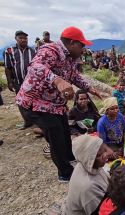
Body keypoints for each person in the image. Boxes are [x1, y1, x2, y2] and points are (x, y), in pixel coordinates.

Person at [16, 26, 101, 182]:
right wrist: (57, 80)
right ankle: (65, 173)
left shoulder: (70, 58)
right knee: (55, 134)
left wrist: (90, 88)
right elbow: (35, 67)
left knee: (64, 129)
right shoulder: (50, 50)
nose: (83, 49)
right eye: (81, 45)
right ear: (71, 42)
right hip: (36, 103)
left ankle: (70, 158)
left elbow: (74, 76)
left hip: (54, 105)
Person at [64, 135, 112, 215]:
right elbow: (101, 211)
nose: (105, 155)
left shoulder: (88, 164)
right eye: (99, 155)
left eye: (104, 150)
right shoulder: (88, 187)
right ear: (90, 159)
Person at [3, 30, 36, 129]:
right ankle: (27, 121)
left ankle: (37, 121)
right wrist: (9, 82)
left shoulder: (32, 51)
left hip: (32, 83)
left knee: (33, 101)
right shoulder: (9, 51)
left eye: (25, 38)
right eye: (20, 38)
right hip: (18, 82)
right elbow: (8, 67)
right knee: (21, 103)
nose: (23, 40)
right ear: (16, 39)